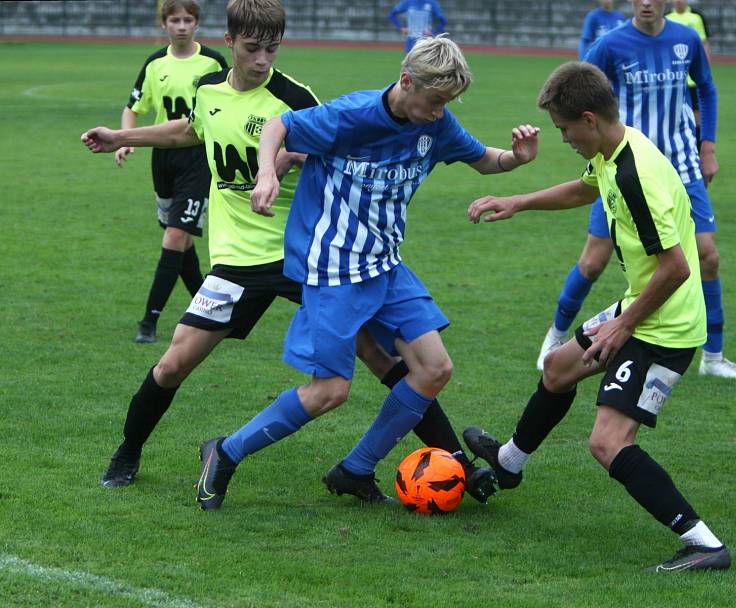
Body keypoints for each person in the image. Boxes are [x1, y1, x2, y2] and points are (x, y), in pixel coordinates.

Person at [82, 0, 496, 507]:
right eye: (252, 48)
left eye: (271, 48)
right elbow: (192, 130)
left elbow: (332, 144)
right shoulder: (209, 91)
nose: (261, 59)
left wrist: (277, 166)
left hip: (312, 254)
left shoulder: (296, 96)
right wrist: (121, 135)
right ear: (230, 42)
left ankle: (453, 462)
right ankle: (127, 454)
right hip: (237, 258)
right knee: (174, 363)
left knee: (387, 359)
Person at [195, 35, 540, 511]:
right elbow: (278, 125)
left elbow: (483, 159)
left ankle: (355, 468)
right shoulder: (351, 116)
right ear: (405, 81)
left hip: (385, 266)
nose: (440, 112)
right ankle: (225, 452)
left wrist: (515, 159)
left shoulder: (435, 125)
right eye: (435, 100)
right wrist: (267, 174)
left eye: (448, 103)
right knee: (330, 391)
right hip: (333, 267)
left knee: (434, 368)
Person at [465, 61, 731, 572]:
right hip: (642, 305)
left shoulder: (637, 175)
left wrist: (623, 326)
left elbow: (675, 268)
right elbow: (585, 189)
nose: (563, 138)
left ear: (588, 119)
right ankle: (508, 465)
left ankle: (704, 544)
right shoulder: (614, 149)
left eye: (565, 130)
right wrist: (519, 201)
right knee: (558, 369)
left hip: (663, 325)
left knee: (607, 443)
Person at [536, 0, 736, 380]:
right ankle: (555, 338)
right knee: (592, 262)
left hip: (681, 166)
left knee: (707, 257)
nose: (646, 2)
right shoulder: (610, 44)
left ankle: (714, 356)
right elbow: (578, 91)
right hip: (625, 168)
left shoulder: (687, 38)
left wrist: (708, 146)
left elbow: (707, 88)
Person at [119, 0, 228, 343]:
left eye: (188, 20)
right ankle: (212, 310)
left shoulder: (213, 62)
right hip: (162, 157)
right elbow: (132, 107)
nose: (181, 26)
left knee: (175, 236)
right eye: (175, 20)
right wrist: (124, 140)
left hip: (196, 157)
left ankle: (148, 322)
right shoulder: (155, 63)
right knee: (178, 239)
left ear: (197, 24)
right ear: (164, 24)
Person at [667, 0, 712, 130]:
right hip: (672, 77)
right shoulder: (666, 17)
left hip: (692, 78)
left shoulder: (697, 17)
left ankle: (697, 144)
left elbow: (704, 44)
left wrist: (706, 68)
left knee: (697, 114)